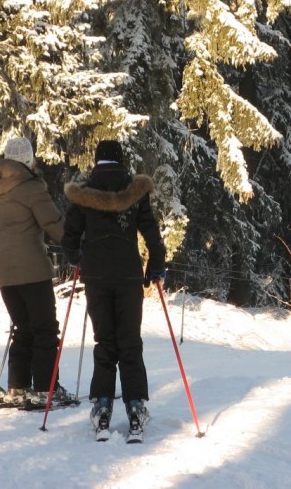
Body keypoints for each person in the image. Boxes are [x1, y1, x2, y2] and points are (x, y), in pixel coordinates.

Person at [61, 139, 167, 441]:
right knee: (130, 342)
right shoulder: (134, 190)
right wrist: (155, 265)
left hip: (96, 276)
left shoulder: (83, 194)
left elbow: (69, 239)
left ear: (97, 161)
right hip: (129, 276)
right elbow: (151, 231)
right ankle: (135, 407)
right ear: (120, 160)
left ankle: (103, 407)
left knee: (105, 341)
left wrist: (79, 258)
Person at [0, 137, 73, 409]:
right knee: (45, 329)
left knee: (22, 328)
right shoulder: (31, 187)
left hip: (3, 271)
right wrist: (76, 242)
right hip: (32, 270)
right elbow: (53, 223)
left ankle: (17, 388)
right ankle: (46, 389)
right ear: (28, 159)